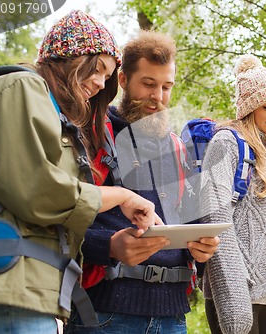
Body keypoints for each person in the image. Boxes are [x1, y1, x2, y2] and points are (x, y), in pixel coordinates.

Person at [0, 10, 161, 334]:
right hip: (10, 288)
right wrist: (121, 195)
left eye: (107, 77)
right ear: (69, 55)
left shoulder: (55, 112)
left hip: (36, 293)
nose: (99, 84)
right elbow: (36, 189)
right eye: (97, 69)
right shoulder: (21, 86)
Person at [64, 30, 220, 334]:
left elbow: (191, 222)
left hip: (173, 316)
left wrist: (201, 249)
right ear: (122, 80)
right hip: (102, 313)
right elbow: (58, 212)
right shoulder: (90, 134)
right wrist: (105, 246)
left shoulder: (177, 147)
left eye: (166, 87)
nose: (158, 97)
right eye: (148, 84)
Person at [200, 54, 266, 334]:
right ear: (248, 108)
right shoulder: (226, 143)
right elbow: (215, 215)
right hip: (237, 290)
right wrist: (233, 292)